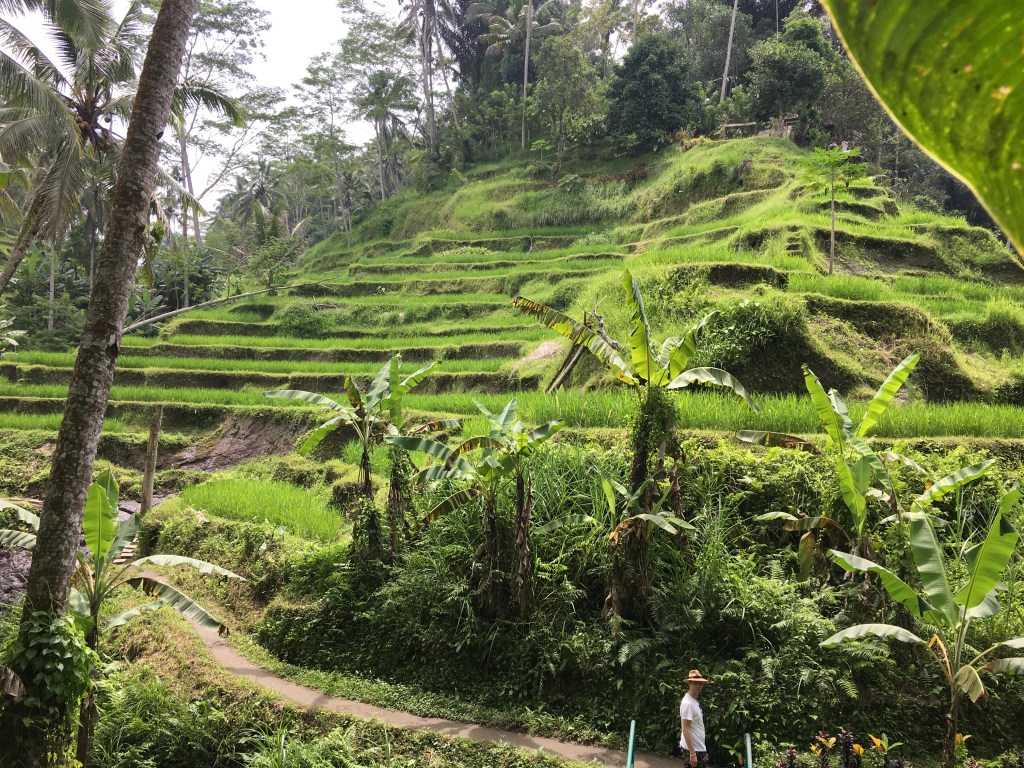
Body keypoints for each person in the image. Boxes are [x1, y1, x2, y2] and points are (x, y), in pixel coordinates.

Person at [679, 669, 710, 767]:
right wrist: (692, 754)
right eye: (695, 683)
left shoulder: (693, 701)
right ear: (689, 683)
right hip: (694, 749)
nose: (698, 686)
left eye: (700, 683)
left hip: (698, 747)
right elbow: (685, 729)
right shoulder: (688, 703)